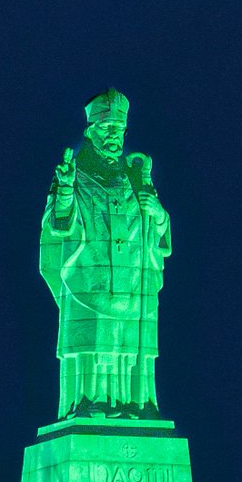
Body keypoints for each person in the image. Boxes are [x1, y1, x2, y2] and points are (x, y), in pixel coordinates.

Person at [40, 89, 172, 419]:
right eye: (106, 128)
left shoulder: (136, 177)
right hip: (90, 277)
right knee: (94, 341)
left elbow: (157, 231)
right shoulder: (76, 175)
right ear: (90, 131)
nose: (113, 135)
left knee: (129, 344)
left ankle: (137, 404)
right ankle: (87, 402)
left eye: (118, 129)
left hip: (131, 279)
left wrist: (157, 214)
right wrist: (67, 191)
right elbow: (57, 226)